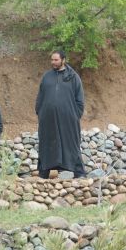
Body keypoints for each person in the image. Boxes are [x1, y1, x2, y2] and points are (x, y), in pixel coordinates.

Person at [35, 50, 86, 178]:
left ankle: (79, 173)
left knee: (71, 143)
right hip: (48, 119)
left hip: (68, 120)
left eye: (56, 60)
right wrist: (40, 112)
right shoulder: (47, 76)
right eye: (52, 60)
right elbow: (40, 96)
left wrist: (75, 115)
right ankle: (44, 173)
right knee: (47, 144)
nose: (53, 62)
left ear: (63, 60)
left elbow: (80, 100)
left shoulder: (73, 77)